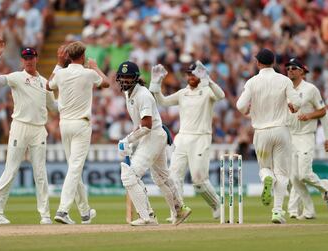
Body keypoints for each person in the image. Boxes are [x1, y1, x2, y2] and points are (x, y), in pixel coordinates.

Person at [0, 39, 57, 225]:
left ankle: (45, 215)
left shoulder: (45, 83)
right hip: (20, 126)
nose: (28, 61)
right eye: (25, 58)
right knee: (11, 169)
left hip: (39, 129)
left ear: (36, 58)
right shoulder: (17, 77)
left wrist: (73, 99)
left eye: (31, 57)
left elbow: (55, 107)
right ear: (22, 60)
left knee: (40, 172)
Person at [117, 61, 191, 226]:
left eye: (128, 77)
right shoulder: (129, 93)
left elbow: (147, 126)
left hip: (153, 136)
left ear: (136, 79)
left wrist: (127, 139)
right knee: (161, 177)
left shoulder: (142, 95)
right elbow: (142, 124)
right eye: (122, 77)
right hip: (153, 136)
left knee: (129, 175)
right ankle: (180, 209)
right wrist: (131, 140)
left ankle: (147, 217)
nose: (125, 81)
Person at [149, 61, 225, 222]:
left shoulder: (207, 91)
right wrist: (156, 85)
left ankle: (217, 204)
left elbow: (221, 96)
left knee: (199, 180)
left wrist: (209, 80)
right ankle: (177, 212)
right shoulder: (182, 93)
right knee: (174, 176)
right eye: (188, 74)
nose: (190, 77)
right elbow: (162, 101)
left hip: (201, 137)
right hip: (183, 137)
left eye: (193, 74)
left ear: (200, 75)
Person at [47, 41, 111, 224]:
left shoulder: (61, 73)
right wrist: (96, 67)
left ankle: (84, 212)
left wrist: (59, 63)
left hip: (64, 125)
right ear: (82, 56)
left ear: (68, 56)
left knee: (74, 169)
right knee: (75, 168)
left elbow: (48, 86)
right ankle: (62, 210)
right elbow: (106, 83)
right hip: (81, 125)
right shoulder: (89, 73)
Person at [236, 48, 302, 224]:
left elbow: (240, 105)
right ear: (274, 62)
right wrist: (293, 107)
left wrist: (246, 110)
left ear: (258, 63)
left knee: (265, 168)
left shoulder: (252, 82)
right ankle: (277, 212)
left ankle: (267, 178)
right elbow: (297, 102)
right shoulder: (284, 80)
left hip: (261, 132)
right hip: (281, 131)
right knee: (282, 173)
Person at [285, 58, 328, 220]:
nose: (290, 70)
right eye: (288, 68)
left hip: (306, 136)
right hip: (290, 136)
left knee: (304, 175)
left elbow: (322, 111)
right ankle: (309, 211)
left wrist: (327, 137)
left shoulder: (310, 89)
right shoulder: (285, 88)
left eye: (293, 68)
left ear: (301, 71)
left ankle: (324, 186)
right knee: (294, 177)